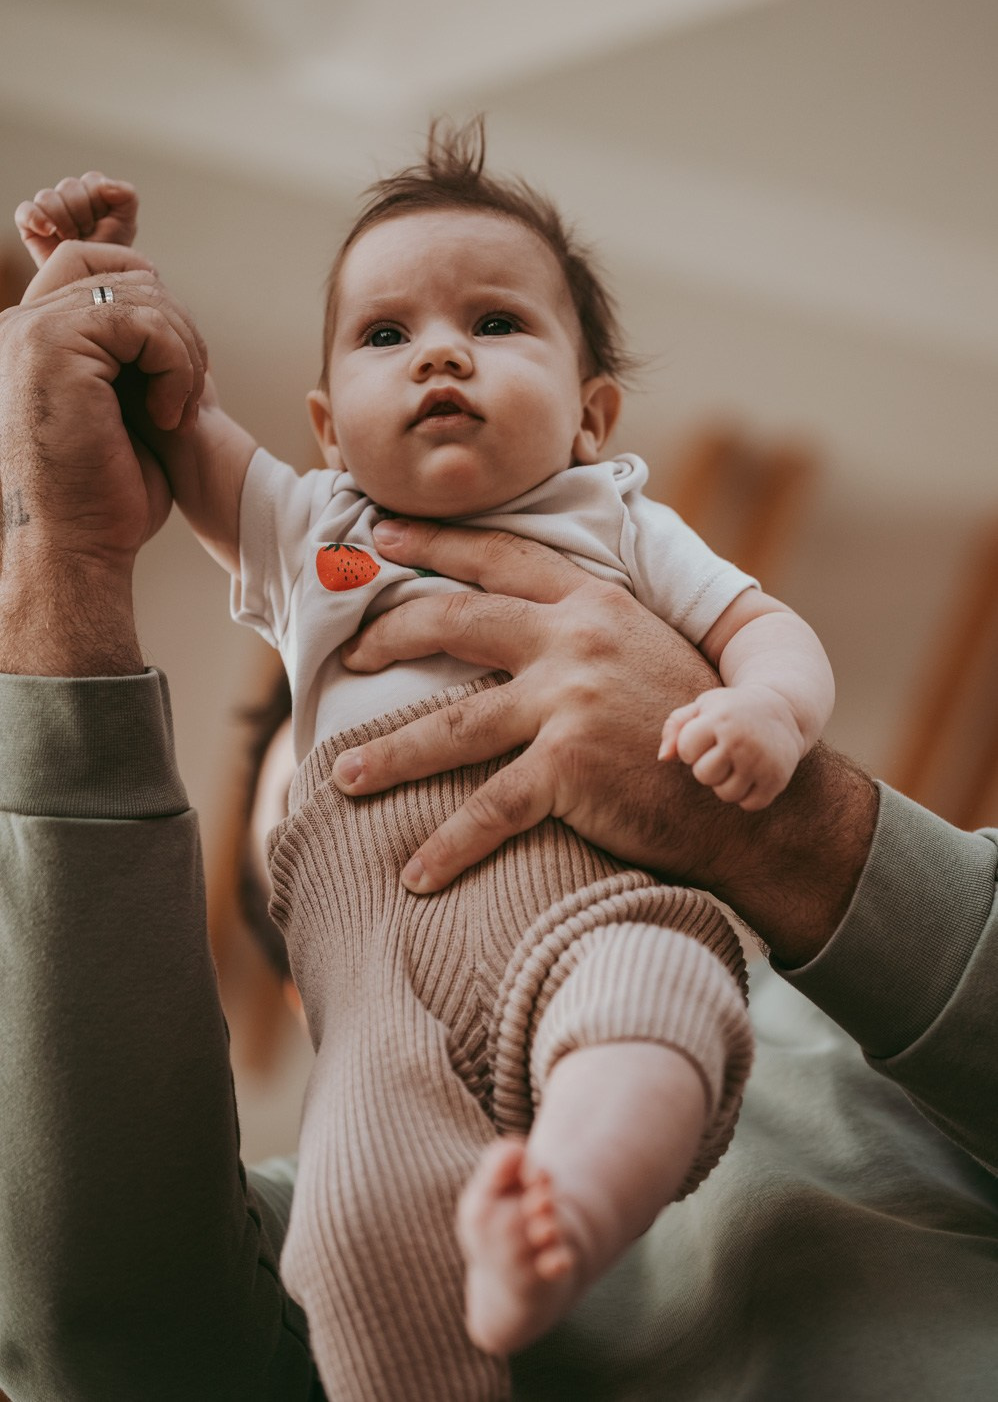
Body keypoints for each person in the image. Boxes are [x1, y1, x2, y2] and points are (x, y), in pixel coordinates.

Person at [0, 243, 996, 1402]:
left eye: (508, 736)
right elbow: (100, 1347)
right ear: (289, 971)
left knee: (647, 997)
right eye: (353, 779)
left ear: (591, 414)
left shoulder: (611, 517)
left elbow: (758, 632)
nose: (434, 353)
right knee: (354, 1230)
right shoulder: (270, 1234)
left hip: (598, 944)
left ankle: (578, 1194)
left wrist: (755, 779)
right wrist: (66, 536)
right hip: (382, 1040)